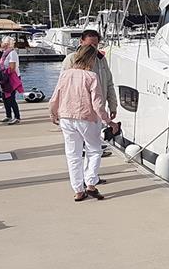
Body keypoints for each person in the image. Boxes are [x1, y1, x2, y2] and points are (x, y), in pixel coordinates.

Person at [50, 45, 118, 201]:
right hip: (86, 118)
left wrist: (53, 113)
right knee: (94, 150)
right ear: (91, 59)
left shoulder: (65, 75)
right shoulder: (91, 76)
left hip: (66, 118)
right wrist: (109, 121)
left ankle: (78, 190)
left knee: (73, 154)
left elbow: (55, 96)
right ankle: (91, 185)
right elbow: (98, 104)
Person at [61, 30, 116, 122]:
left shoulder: (101, 60)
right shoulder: (71, 59)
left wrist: (113, 106)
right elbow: (62, 85)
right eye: (89, 45)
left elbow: (109, 83)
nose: (92, 48)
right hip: (77, 112)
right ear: (81, 42)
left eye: (95, 45)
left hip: (98, 110)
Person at [0, 36, 24, 124]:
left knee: (11, 97)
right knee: (5, 97)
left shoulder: (12, 53)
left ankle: (17, 117)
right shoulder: (5, 53)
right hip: (5, 77)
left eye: (3, 42)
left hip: (11, 77)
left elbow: (12, 67)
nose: (1, 44)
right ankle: (8, 115)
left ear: (6, 44)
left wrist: (5, 73)